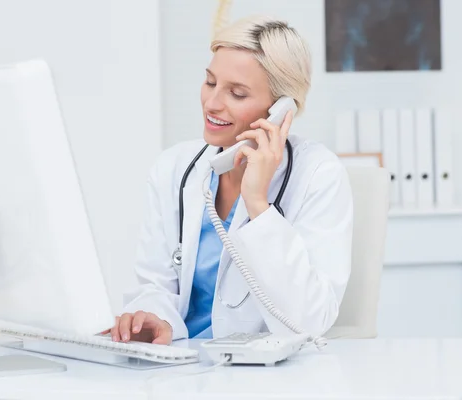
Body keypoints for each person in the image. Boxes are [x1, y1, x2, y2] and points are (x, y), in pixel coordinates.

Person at [107, 15, 353, 344]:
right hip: (177, 366)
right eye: (210, 83)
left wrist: (257, 205)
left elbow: (308, 321)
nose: (212, 103)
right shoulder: (173, 169)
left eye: (237, 93)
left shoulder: (319, 175)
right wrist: (154, 317)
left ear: (280, 109)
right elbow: (155, 286)